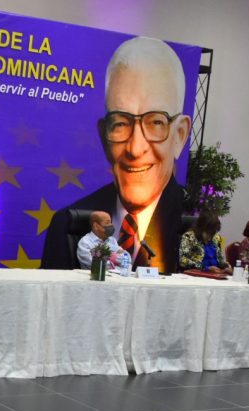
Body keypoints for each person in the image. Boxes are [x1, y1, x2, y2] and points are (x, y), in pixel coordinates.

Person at [44, 36, 192, 272]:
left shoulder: (191, 227)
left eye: (156, 122)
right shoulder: (67, 223)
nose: (135, 148)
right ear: (104, 135)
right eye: (121, 123)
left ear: (180, 135)